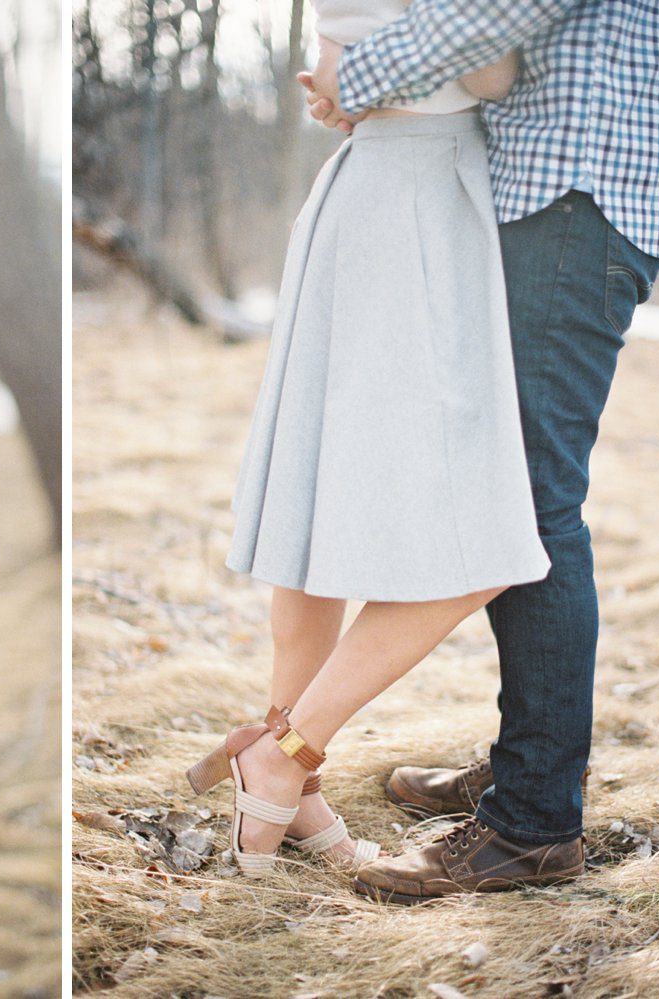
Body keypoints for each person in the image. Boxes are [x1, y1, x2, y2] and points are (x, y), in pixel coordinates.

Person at [272, 0, 659, 902]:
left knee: (531, 504)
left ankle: (533, 822)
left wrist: (361, 75)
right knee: (517, 490)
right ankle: (526, 765)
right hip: (557, 193)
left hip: (576, 197)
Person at [187, 0, 552, 876]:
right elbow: (493, 73)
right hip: (421, 207)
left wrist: (369, 72)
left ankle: (289, 788)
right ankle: (285, 755)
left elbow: (331, 72)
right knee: (489, 542)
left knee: (317, 504)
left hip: (369, 190)